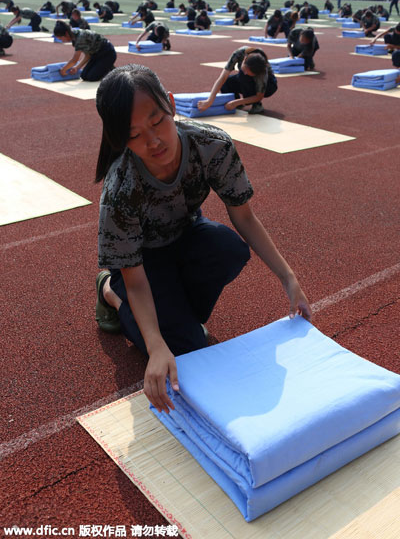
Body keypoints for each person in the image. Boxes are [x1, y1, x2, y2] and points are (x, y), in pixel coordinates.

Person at [94, 64, 311, 414]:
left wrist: (289, 278)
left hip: (184, 237)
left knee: (228, 250)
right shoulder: (121, 189)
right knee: (186, 349)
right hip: (140, 266)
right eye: (134, 135)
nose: (152, 141)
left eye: (156, 121)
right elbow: (135, 281)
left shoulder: (211, 145)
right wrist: (155, 346)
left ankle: (175, 315)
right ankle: (108, 293)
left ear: (171, 104)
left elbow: (244, 217)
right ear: (120, 139)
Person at [197, 45, 278, 115]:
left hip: (269, 85)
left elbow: (259, 96)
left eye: (249, 72)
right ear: (244, 59)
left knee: (243, 76)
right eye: (245, 69)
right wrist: (209, 101)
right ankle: (239, 103)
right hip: (247, 81)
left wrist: (236, 102)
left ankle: (257, 105)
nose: (246, 72)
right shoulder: (239, 53)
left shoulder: (262, 69)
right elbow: (222, 78)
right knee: (227, 81)